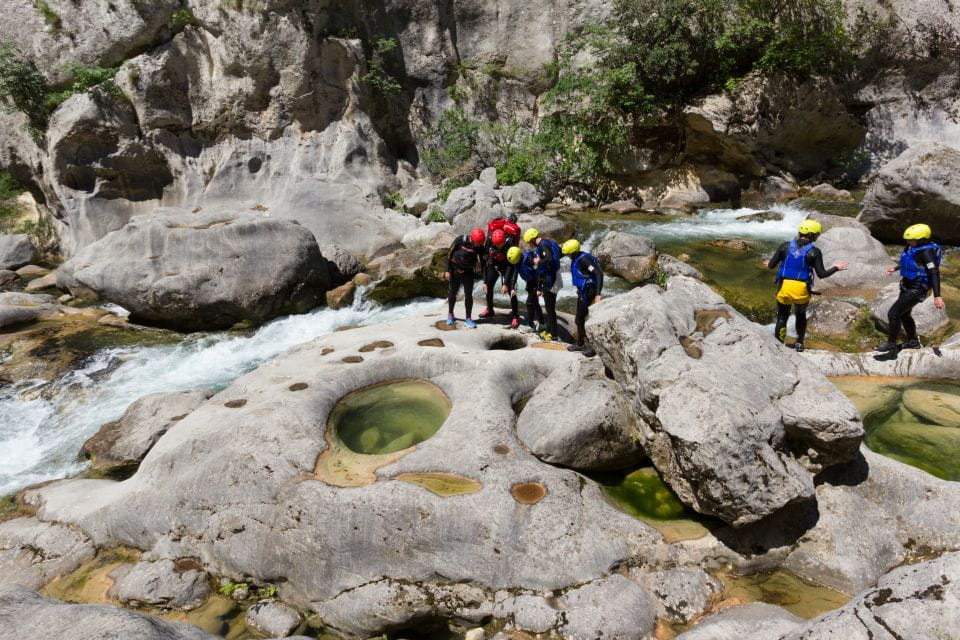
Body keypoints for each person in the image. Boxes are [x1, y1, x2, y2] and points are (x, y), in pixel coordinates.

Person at [764, 219, 849, 352]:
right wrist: (836, 268)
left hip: (784, 288)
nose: (817, 236)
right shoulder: (815, 252)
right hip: (801, 290)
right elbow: (822, 274)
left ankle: (778, 345)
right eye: (816, 234)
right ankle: (799, 343)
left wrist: (769, 263)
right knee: (800, 315)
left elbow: (771, 265)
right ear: (811, 235)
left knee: (782, 317)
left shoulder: (784, 246)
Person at [874, 223, 945, 352]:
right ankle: (913, 342)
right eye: (907, 240)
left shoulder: (927, 252)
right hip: (906, 285)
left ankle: (891, 343)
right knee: (904, 315)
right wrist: (895, 268)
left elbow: (934, 273)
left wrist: (937, 295)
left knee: (893, 313)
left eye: (911, 240)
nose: (908, 242)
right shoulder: (913, 245)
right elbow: (907, 260)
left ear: (922, 239)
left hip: (917, 289)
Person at [562, 239, 603, 356]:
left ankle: (588, 346)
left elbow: (598, 274)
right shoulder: (577, 258)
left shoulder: (584, 260)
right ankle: (581, 343)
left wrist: (598, 294)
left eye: (568, 254)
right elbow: (583, 274)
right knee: (580, 319)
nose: (568, 256)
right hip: (584, 291)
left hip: (589, 292)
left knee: (580, 319)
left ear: (573, 252)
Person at [479, 215, 522, 324]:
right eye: (496, 244)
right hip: (494, 263)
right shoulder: (489, 241)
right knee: (488, 286)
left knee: (511, 291)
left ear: (504, 240)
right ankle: (489, 309)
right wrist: (484, 281)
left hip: (507, 265)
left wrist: (506, 283)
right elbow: (484, 262)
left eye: (500, 244)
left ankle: (515, 315)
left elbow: (510, 265)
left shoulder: (509, 243)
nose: (499, 246)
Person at [524, 228, 563, 341]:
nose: (529, 245)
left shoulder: (542, 245)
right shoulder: (548, 242)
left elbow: (549, 257)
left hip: (552, 279)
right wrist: (540, 286)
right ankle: (552, 331)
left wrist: (538, 262)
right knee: (549, 307)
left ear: (532, 239)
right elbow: (560, 253)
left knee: (550, 309)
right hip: (552, 277)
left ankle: (553, 335)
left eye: (529, 242)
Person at [444, 228, 485, 328]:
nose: (480, 245)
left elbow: (483, 261)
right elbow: (449, 255)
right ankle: (450, 314)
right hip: (455, 271)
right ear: (473, 239)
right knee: (453, 293)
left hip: (468, 273)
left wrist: (485, 279)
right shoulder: (460, 240)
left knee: (468, 295)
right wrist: (446, 270)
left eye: (481, 243)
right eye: (479, 243)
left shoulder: (479, 246)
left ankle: (468, 318)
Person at [513, 246, 544, 332]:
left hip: (536, 282)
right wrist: (512, 288)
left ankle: (531, 325)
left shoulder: (529, 259)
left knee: (529, 303)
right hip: (530, 282)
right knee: (535, 303)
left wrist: (539, 288)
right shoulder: (517, 262)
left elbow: (538, 273)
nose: (515, 263)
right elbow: (514, 275)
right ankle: (542, 323)